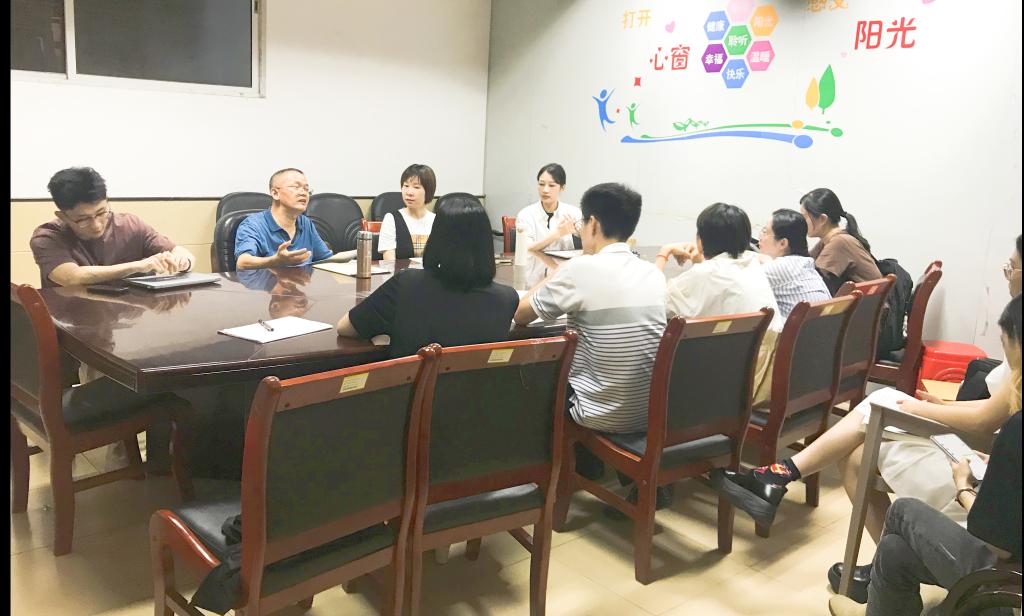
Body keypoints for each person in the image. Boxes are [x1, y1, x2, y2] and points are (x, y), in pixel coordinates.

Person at [715, 291, 1023, 602]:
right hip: (988, 457)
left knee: (880, 406)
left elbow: (985, 422)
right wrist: (940, 406)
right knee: (857, 455)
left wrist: (922, 413)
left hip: (983, 479)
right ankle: (885, 572)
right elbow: (992, 409)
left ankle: (779, 476)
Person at [514, 183, 666, 503]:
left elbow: (522, 314)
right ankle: (596, 464)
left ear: (592, 224)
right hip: (651, 411)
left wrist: (555, 275)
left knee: (533, 378)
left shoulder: (581, 269)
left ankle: (556, 477)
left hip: (599, 412)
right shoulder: (652, 272)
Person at [829, 414, 1020, 614]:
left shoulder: (1017, 427)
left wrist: (963, 488)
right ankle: (874, 607)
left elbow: (999, 544)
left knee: (901, 511)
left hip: (1007, 585)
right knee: (894, 549)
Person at [336, 194, 518, 359]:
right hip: (478, 386)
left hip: (409, 386)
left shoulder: (406, 285)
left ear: (437, 239)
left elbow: (346, 328)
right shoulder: (507, 299)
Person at [656, 203, 782, 406]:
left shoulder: (707, 273)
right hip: (760, 379)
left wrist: (664, 253)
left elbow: (655, 300)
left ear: (701, 239)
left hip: (728, 390)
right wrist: (700, 261)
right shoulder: (752, 262)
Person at [31, 167, 195, 288]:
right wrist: (139, 266)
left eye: (101, 212)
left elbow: (182, 253)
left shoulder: (130, 225)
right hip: (72, 319)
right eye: (83, 219)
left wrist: (182, 262)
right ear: (62, 216)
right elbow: (71, 277)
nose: (96, 225)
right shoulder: (47, 237)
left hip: (127, 318)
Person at [234, 168, 332, 270]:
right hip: (268, 280)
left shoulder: (306, 223)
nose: (303, 193)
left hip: (303, 280)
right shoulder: (253, 224)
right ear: (275, 193)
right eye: (296, 187)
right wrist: (275, 260)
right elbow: (242, 263)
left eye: (306, 189)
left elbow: (326, 259)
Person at [801, 188, 882, 295]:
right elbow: (804, 267)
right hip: (865, 303)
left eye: (804, 217)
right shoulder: (829, 241)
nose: (801, 222)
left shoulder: (839, 243)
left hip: (866, 304)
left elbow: (809, 279)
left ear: (822, 219)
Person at [756, 208, 832, 320]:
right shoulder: (805, 263)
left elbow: (739, 284)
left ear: (783, 243)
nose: (760, 238)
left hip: (799, 331)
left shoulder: (779, 268)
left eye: (765, 232)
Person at [515, 163, 582, 253]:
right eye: (541, 184)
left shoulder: (573, 212)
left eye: (551, 185)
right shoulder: (525, 215)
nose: (545, 190)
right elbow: (526, 248)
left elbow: (592, 244)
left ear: (562, 188)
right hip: (535, 261)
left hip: (566, 262)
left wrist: (583, 232)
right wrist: (558, 233)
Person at [378, 164, 437, 260]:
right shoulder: (392, 219)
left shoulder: (437, 221)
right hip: (400, 270)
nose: (409, 192)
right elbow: (389, 262)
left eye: (416, 187)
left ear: (429, 191)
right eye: (406, 186)